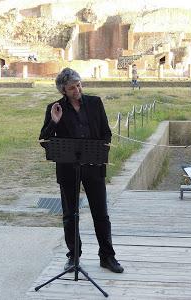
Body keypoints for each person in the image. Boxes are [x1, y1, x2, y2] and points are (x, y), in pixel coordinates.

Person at [39, 68, 124, 274]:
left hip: (94, 168)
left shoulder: (95, 103)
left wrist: (100, 149)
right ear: (63, 91)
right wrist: (54, 121)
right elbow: (44, 139)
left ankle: (107, 256)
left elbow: (106, 133)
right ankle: (73, 257)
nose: (77, 90)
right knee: (70, 215)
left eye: (78, 85)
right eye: (72, 88)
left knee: (101, 214)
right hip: (68, 169)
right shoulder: (55, 108)